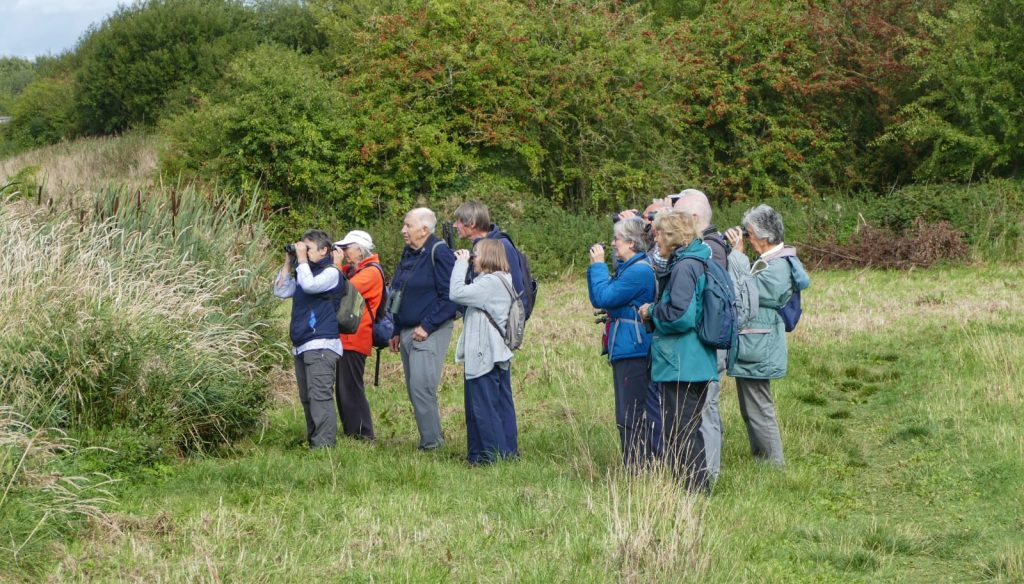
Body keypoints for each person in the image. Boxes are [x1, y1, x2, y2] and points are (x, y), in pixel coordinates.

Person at [724, 205, 810, 466]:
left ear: (765, 237)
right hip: (754, 342)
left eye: (749, 235)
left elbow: (747, 292)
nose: (748, 241)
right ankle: (762, 460)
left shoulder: (779, 267)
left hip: (760, 344)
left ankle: (773, 465)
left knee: (760, 408)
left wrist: (737, 257)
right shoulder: (769, 261)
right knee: (751, 408)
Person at [639, 211, 718, 493]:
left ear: (671, 235)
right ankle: (693, 488)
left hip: (683, 361)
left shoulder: (685, 266)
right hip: (694, 360)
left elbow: (680, 316)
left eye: (659, 233)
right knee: (684, 428)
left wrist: (651, 312)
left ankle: (695, 492)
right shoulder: (698, 258)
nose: (655, 237)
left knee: (681, 431)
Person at [587, 218, 658, 467]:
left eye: (617, 239)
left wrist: (597, 266)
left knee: (630, 412)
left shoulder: (638, 271)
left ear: (631, 242)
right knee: (630, 410)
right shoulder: (632, 268)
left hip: (633, 349)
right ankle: (640, 465)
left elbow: (602, 296)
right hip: (629, 346)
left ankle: (638, 468)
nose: (613, 244)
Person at [388, 208, 458, 451]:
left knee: (421, 386)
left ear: (424, 229)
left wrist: (427, 326)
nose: (403, 230)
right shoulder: (409, 254)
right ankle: (431, 438)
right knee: (414, 388)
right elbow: (400, 292)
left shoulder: (440, 253)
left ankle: (432, 445)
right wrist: (396, 329)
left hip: (431, 330)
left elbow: (451, 297)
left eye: (408, 226)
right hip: (407, 329)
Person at [673, 189, 729, 482]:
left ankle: (708, 474)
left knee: (706, 409)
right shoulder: (706, 248)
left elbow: (705, 304)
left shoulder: (710, 250)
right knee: (702, 409)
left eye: (678, 217)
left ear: (694, 218)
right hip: (704, 341)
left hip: (706, 342)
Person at [448, 240, 519, 465]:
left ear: (488, 256)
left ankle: (490, 456)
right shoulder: (499, 280)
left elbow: (456, 293)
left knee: (482, 407)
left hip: (484, 354)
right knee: (498, 404)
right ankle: (503, 452)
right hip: (496, 352)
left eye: (475, 254)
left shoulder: (490, 283)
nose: (472, 258)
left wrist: (459, 264)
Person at [273, 229, 343, 449]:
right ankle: (314, 441)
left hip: (321, 343)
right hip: (302, 344)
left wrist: (301, 260)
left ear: (324, 250)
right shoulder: (305, 272)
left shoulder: (330, 272)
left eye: (309, 248)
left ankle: (324, 446)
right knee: (307, 397)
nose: (304, 251)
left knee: (319, 396)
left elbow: (312, 286)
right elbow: (281, 291)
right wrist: (289, 262)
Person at [331, 230, 384, 441]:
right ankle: (352, 432)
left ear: (360, 250)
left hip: (356, 337)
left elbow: (342, 289)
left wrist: (336, 265)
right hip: (347, 338)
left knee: (351, 387)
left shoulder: (371, 272)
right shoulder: (356, 268)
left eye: (347, 248)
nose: (344, 253)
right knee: (343, 388)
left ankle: (363, 434)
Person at [452, 201, 529, 315]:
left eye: (458, 221)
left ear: (472, 223)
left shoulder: (501, 246)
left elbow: (517, 289)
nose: (454, 225)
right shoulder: (480, 246)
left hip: (498, 327)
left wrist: (512, 324)